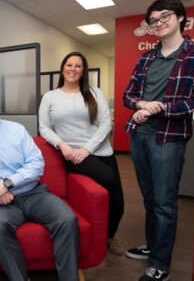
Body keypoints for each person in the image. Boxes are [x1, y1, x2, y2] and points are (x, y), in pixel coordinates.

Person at [123, 0, 194, 281]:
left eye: (165, 17)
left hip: (169, 138)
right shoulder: (146, 57)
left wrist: (160, 107)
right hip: (139, 135)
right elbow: (129, 95)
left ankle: (160, 265)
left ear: (180, 19)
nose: (159, 23)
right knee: (150, 200)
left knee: (164, 204)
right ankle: (152, 247)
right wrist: (140, 107)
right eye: (153, 20)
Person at [0, 83, 80, 281]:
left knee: (67, 219)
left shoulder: (17, 130)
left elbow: (37, 164)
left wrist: (7, 183)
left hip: (33, 194)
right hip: (0, 203)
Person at [38, 52, 125, 255]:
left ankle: (109, 236)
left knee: (118, 203)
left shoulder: (94, 92)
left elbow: (105, 123)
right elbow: (44, 128)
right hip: (72, 155)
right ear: (62, 68)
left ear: (83, 71)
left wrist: (88, 149)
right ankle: (92, 234)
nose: (73, 69)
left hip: (100, 151)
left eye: (78, 66)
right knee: (107, 178)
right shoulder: (50, 96)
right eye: (69, 65)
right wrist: (63, 145)